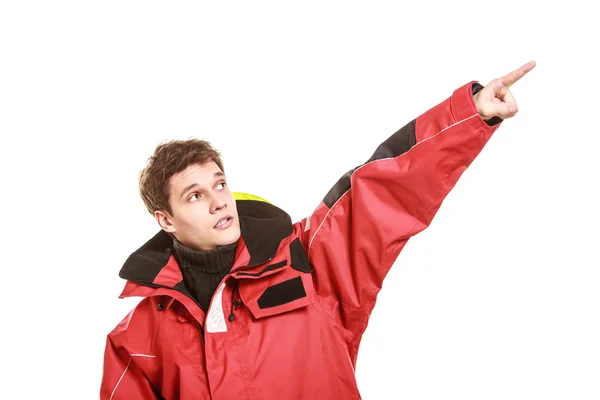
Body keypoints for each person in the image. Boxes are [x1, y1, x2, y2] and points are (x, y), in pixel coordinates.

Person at [100, 60, 536, 399]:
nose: (218, 200)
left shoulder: (306, 261)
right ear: (165, 219)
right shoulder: (138, 336)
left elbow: (381, 190)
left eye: (220, 183)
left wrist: (470, 114)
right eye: (194, 195)